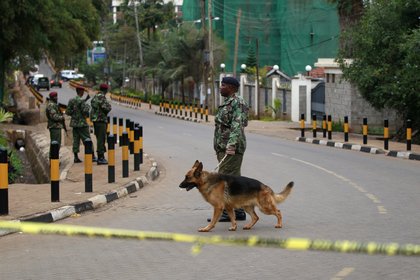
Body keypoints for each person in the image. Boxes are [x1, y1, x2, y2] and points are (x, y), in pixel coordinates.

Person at [211, 76, 249, 222]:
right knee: (233, 180)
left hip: (231, 148)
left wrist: (232, 144)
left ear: (232, 88)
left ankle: (228, 212)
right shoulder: (227, 103)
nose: (221, 87)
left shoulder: (238, 103)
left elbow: (237, 124)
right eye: (221, 85)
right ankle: (238, 211)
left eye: (224, 85)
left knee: (226, 180)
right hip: (223, 146)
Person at [66, 86, 92, 163]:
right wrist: (87, 107)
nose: (83, 93)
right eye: (83, 91)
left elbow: (67, 112)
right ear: (81, 92)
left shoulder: (72, 100)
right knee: (87, 139)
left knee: (76, 140)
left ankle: (76, 157)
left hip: (74, 123)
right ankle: (92, 155)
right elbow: (85, 112)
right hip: (82, 123)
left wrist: (74, 114)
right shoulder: (82, 101)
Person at [90, 83, 112, 165]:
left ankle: (101, 156)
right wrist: (109, 105)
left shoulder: (96, 96)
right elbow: (106, 108)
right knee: (101, 139)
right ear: (105, 90)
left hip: (96, 120)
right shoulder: (101, 97)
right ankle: (100, 157)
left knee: (100, 138)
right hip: (101, 120)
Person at [46, 91, 64, 156]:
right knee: (55, 144)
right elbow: (54, 117)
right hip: (54, 127)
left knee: (56, 144)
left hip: (56, 126)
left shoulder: (53, 104)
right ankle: (53, 160)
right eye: (55, 97)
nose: (57, 98)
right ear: (53, 97)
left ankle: (54, 159)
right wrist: (62, 117)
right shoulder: (51, 105)